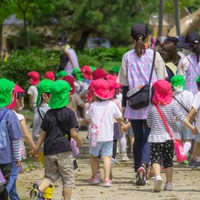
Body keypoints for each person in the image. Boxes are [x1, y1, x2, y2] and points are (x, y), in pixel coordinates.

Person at [117, 23, 168, 186]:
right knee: (148, 139)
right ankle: (143, 167)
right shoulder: (155, 56)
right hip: (151, 103)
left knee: (138, 138)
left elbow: (124, 85)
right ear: (148, 37)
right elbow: (161, 82)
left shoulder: (127, 56)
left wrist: (124, 105)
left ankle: (138, 169)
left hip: (133, 104)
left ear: (132, 37)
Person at [30, 80, 82, 200]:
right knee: (68, 179)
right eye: (68, 93)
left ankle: (38, 190)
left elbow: (42, 134)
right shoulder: (69, 113)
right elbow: (73, 133)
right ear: (64, 96)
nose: (70, 95)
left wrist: (36, 148)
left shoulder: (48, 113)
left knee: (49, 176)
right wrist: (79, 142)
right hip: (64, 150)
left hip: (49, 150)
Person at [147, 79, 197, 192]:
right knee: (168, 160)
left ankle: (158, 177)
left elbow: (149, 123)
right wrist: (192, 128)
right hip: (170, 138)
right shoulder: (172, 104)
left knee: (155, 159)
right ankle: (169, 183)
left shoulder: (152, 107)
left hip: (155, 137)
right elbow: (182, 118)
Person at [85, 79, 124, 187]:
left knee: (93, 156)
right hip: (108, 136)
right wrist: (122, 124)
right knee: (107, 157)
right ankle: (107, 179)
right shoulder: (111, 104)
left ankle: (95, 177)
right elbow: (119, 116)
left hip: (95, 137)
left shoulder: (92, 106)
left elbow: (87, 117)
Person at [6, 84, 35, 199]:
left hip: (4, 151)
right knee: (12, 176)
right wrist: (34, 148)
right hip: (16, 152)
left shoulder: (3, 114)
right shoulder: (18, 116)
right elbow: (26, 135)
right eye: (22, 99)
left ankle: (14, 197)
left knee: (9, 177)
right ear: (17, 101)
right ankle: (3, 194)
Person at [32, 79, 54, 200]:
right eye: (54, 95)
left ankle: (39, 186)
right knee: (51, 174)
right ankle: (45, 195)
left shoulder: (38, 109)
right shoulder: (47, 110)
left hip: (41, 147)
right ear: (45, 96)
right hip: (47, 146)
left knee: (51, 172)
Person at [0, 79, 22, 200]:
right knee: (3, 185)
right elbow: (15, 138)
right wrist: (17, 157)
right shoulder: (10, 115)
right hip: (5, 159)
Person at [170, 75, 194, 165]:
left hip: (175, 120)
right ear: (184, 83)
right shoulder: (189, 94)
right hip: (187, 119)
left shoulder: (172, 96)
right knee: (188, 140)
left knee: (177, 141)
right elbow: (191, 107)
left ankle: (181, 156)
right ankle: (182, 155)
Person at [187, 76, 200, 167]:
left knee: (198, 141)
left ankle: (195, 160)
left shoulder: (199, 95)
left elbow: (194, 110)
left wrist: (188, 120)